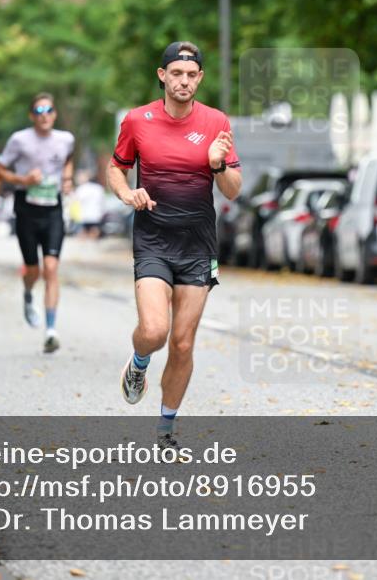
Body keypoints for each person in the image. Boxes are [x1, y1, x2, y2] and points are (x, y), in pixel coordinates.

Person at [107, 41, 241, 449]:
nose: (184, 81)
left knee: (183, 342)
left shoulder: (216, 121)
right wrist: (128, 194)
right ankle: (139, 361)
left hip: (198, 244)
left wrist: (217, 164)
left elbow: (233, 190)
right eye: (177, 74)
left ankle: (165, 429)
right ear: (162, 75)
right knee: (155, 330)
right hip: (153, 239)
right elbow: (117, 168)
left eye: (192, 74)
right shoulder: (137, 120)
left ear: (200, 78)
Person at [0, 93, 75, 353]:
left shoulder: (66, 139)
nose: (44, 114)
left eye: (48, 109)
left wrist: (67, 179)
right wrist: (22, 180)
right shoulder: (19, 140)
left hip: (53, 211)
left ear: (54, 114)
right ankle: (28, 295)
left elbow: (69, 160)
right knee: (33, 271)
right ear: (32, 115)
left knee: (51, 268)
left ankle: (51, 330)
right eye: (38, 110)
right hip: (26, 211)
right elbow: (0, 169)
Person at [74, 171, 105, 238]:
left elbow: (76, 201)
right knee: (94, 232)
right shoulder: (99, 188)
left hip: (84, 215)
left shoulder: (81, 189)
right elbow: (102, 201)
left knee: (83, 234)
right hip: (96, 214)